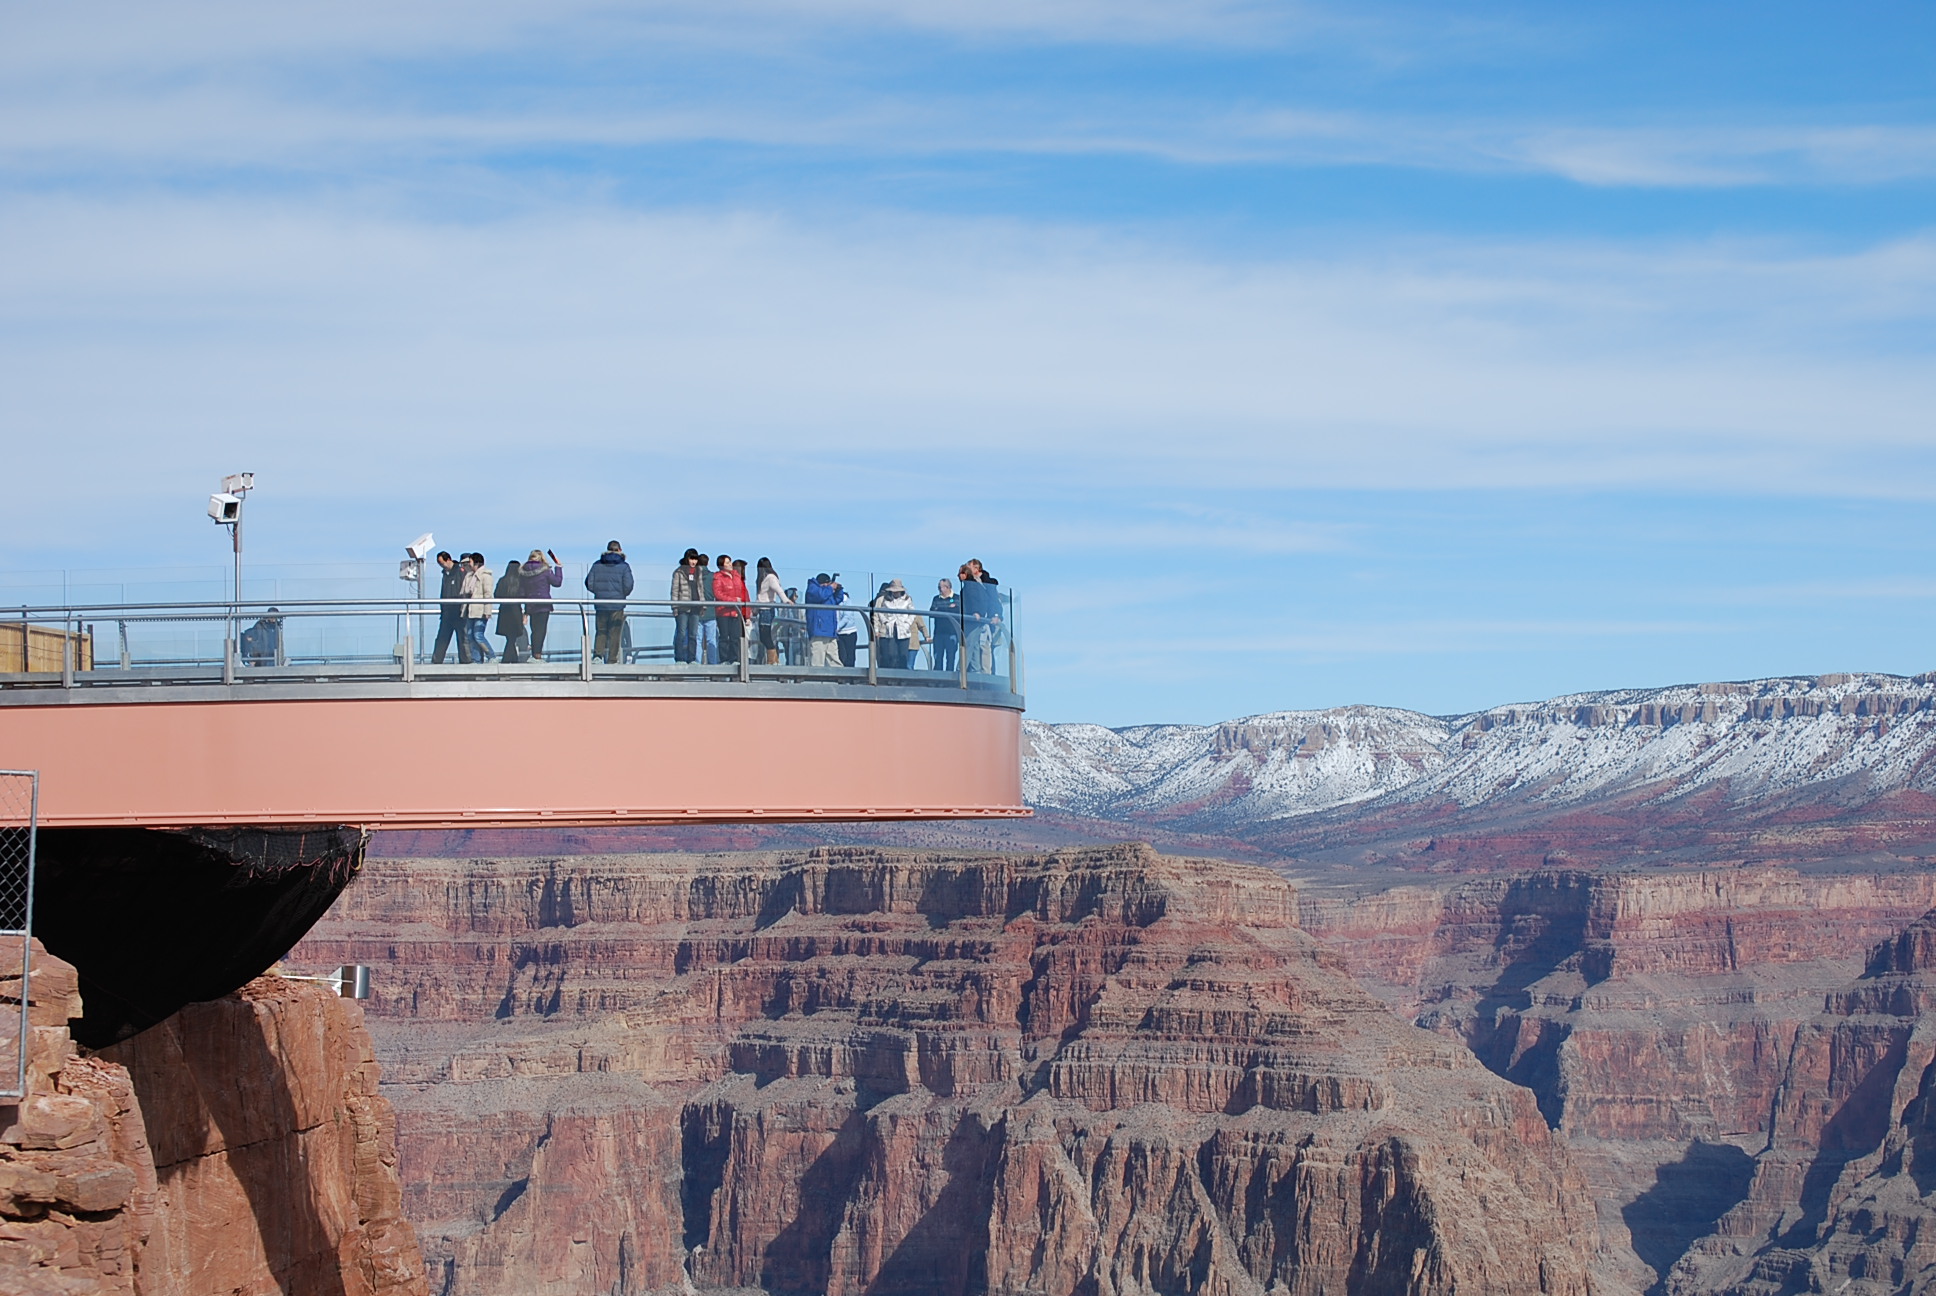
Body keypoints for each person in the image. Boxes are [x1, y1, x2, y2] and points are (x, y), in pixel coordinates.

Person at [584, 540, 634, 664]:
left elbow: (589, 583)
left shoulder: (597, 564)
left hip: (601, 603)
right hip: (617, 604)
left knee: (601, 631)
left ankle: (598, 656)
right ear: (619, 550)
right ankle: (612, 659)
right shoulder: (624, 566)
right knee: (615, 632)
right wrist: (621, 595)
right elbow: (629, 585)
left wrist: (599, 593)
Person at [520, 549, 563, 661]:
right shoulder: (545, 570)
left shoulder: (523, 572)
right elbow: (557, 582)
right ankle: (537, 655)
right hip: (543, 604)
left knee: (534, 630)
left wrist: (525, 607)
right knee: (541, 630)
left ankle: (534, 653)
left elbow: (522, 591)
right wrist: (558, 568)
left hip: (530, 604)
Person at [960, 559, 1000, 674]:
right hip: (977, 621)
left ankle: (985, 673)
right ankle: (975, 670)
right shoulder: (970, 584)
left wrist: (996, 615)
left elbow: (993, 600)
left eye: (969, 567)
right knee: (977, 645)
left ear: (976, 569)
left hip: (987, 620)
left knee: (985, 648)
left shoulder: (987, 583)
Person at [431, 551, 469, 664]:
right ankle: (437, 661)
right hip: (447, 613)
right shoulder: (445, 574)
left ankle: (466, 661)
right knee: (442, 638)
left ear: (448, 560)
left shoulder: (459, 572)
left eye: (442, 563)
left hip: (458, 611)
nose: (441, 566)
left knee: (462, 638)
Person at [712, 554, 749, 664]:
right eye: (727, 562)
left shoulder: (736, 576)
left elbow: (742, 592)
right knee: (724, 636)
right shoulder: (718, 577)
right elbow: (718, 594)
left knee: (735, 637)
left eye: (730, 562)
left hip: (735, 611)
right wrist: (733, 600)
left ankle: (734, 659)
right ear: (721, 565)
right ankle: (724, 659)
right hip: (723, 611)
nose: (730, 564)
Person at [870, 579, 915, 670]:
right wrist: (882, 625)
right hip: (888, 631)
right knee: (890, 655)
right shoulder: (883, 600)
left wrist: (907, 623)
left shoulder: (907, 599)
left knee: (902, 655)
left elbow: (912, 613)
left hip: (903, 631)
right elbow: (877, 613)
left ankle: (902, 677)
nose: (896, 593)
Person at [670, 548, 704, 663]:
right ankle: (679, 658)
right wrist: (675, 607)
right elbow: (674, 591)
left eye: (695, 559)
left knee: (693, 635)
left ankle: (692, 658)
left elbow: (701, 589)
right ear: (687, 558)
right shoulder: (679, 572)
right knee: (682, 633)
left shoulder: (699, 571)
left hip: (695, 607)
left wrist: (703, 605)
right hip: (682, 607)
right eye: (691, 558)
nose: (693, 562)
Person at [804, 573, 843, 667]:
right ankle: (815, 680)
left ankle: (839, 678)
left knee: (834, 659)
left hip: (830, 632)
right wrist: (830, 588)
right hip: (818, 631)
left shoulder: (827, 592)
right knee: (817, 660)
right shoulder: (812, 589)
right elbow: (819, 595)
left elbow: (838, 599)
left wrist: (838, 590)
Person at [463, 554, 496, 663]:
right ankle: (476, 659)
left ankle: (491, 656)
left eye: (470, 562)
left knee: (478, 635)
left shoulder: (485, 576)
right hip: (470, 610)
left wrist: (488, 611)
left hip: (480, 610)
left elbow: (488, 594)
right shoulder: (469, 576)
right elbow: (465, 592)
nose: (469, 564)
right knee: (470, 636)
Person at [494, 560, 527, 663]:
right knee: (512, 637)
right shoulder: (520, 581)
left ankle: (511, 659)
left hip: (504, 611)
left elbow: (496, 595)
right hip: (516, 611)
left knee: (510, 638)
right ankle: (507, 660)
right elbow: (524, 595)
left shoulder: (502, 580)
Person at [755, 558, 786, 665]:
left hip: (766, 610)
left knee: (765, 636)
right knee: (764, 636)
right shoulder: (766, 578)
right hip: (762, 610)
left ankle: (772, 660)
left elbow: (778, 590)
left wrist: (786, 600)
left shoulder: (770, 578)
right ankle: (774, 659)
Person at [929, 577, 959, 674]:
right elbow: (932, 613)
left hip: (952, 633)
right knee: (938, 658)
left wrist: (940, 609)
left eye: (942, 587)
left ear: (948, 587)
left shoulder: (957, 598)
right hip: (938, 633)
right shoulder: (936, 598)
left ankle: (950, 678)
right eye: (939, 587)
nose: (940, 590)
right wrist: (948, 608)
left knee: (950, 657)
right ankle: (938, 679)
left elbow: (957, 612)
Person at [696, 554, 719, 664]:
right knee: (711, 640)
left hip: (697, 611)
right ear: (708, 562)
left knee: (698, 639)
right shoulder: (713, 577)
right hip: (711, 611)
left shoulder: (695, 576)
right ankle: (713, 663)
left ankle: (696, 662)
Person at [837, 600, 865, 668]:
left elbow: (847, 616)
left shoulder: (846, 601)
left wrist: (836, 627)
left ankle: (849, 676)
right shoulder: (831, 599)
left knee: (850, 656)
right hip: (838, 633)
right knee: (840, 656)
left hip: (849, 632)